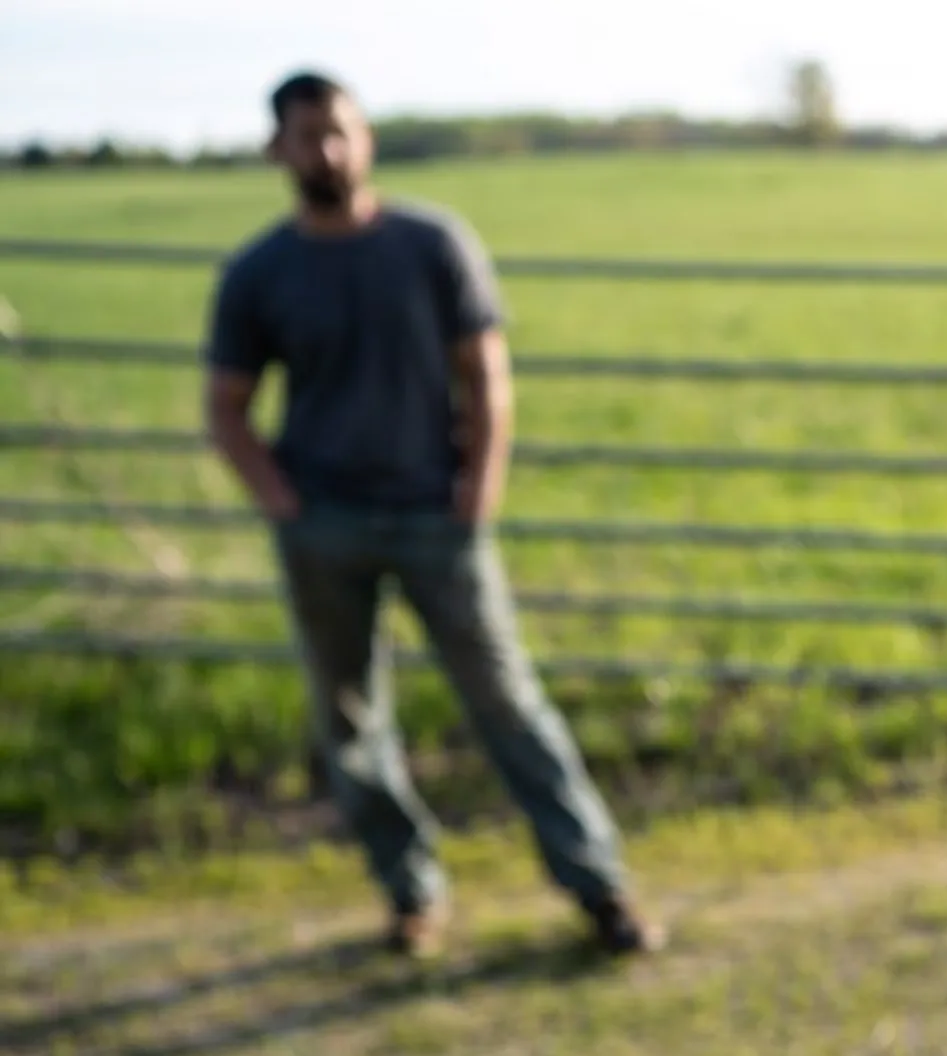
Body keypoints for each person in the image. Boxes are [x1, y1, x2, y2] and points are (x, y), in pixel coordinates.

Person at [203, 71, 662, 959]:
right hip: (324, 525)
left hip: (436, 518)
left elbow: (484, 375)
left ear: (366, 135)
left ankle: (598, 886)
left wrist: (476, 491)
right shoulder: (260, 273)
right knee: (349, 723)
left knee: (508, 703)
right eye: (306, 136)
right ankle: (411, 894)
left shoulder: (431, 244)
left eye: (340, 130)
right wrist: (283, 502)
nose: (327, 151)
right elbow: (227, 407)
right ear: (278, 150)